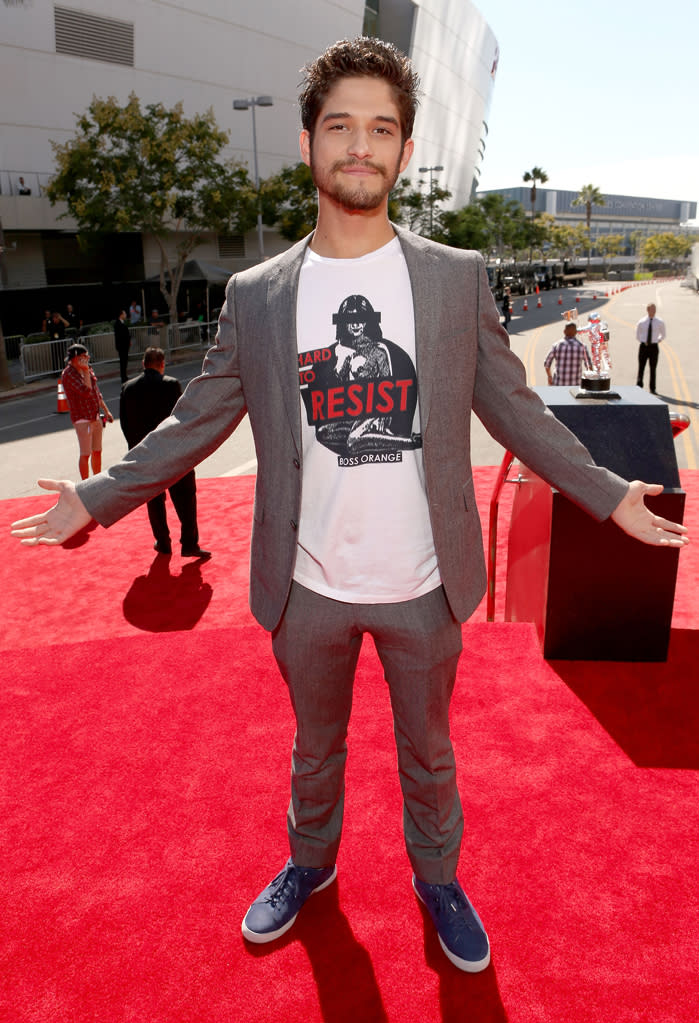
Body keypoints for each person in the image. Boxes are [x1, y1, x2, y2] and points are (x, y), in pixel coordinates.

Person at [10, 37, 689, 974]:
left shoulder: (455, 277)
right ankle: (309, 863)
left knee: (430, 757)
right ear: (308, 144)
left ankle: (438, 878)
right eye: (341, 126)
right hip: (308, 586)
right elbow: (196, 421)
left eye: (381, 128)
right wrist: (97, 494)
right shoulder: (257, 295)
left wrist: (607, 493)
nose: (360, 146)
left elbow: (516, 410)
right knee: (312, 752)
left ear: (404, 150)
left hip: (423, 583)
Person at [120, 347, 210, 559]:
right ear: (162, 364)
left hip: (145, 453)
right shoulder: (170, 384)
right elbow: (180, 418)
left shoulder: (128, 388)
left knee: (154, 499)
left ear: (143, 364)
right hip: (173, 451)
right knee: (186, 497)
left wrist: (136, 450)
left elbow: (125, 423)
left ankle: (163, 541)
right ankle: (189, 543)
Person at [60, 343, 113, 480]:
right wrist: (85, 371)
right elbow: (86, 392)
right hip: (82, 419)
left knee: (97, 451)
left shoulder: (88, 369)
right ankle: (85, 484)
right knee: (85, 454)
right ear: (76, 358)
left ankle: (97, 480)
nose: (87, 358)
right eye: (84, 356)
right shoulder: (68, 374)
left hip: (95, 416)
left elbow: (96, 392)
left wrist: (106, 411)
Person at [635, 302, 666, 394]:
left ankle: (652, 388)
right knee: (641, 367)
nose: (653, 311)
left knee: (653, 368)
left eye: (654, 309)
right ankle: (639, 386)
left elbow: (663, 334)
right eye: (652, 309)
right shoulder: (642, 321)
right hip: (644, 346)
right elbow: (637, 335)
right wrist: (644, 341)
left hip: (654, 347)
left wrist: (658, 340)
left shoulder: (660, 322)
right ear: (648, 310)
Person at [113, 309, 132, 384]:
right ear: (121, 315)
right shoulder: (117, 324)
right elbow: (120, 336)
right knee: (123, 361)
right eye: (124, 314)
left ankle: (124, 375)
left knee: (125, 361)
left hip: (125, 345)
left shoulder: (122, 322)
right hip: (122, 346)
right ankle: (123, 377)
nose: (125, 315)